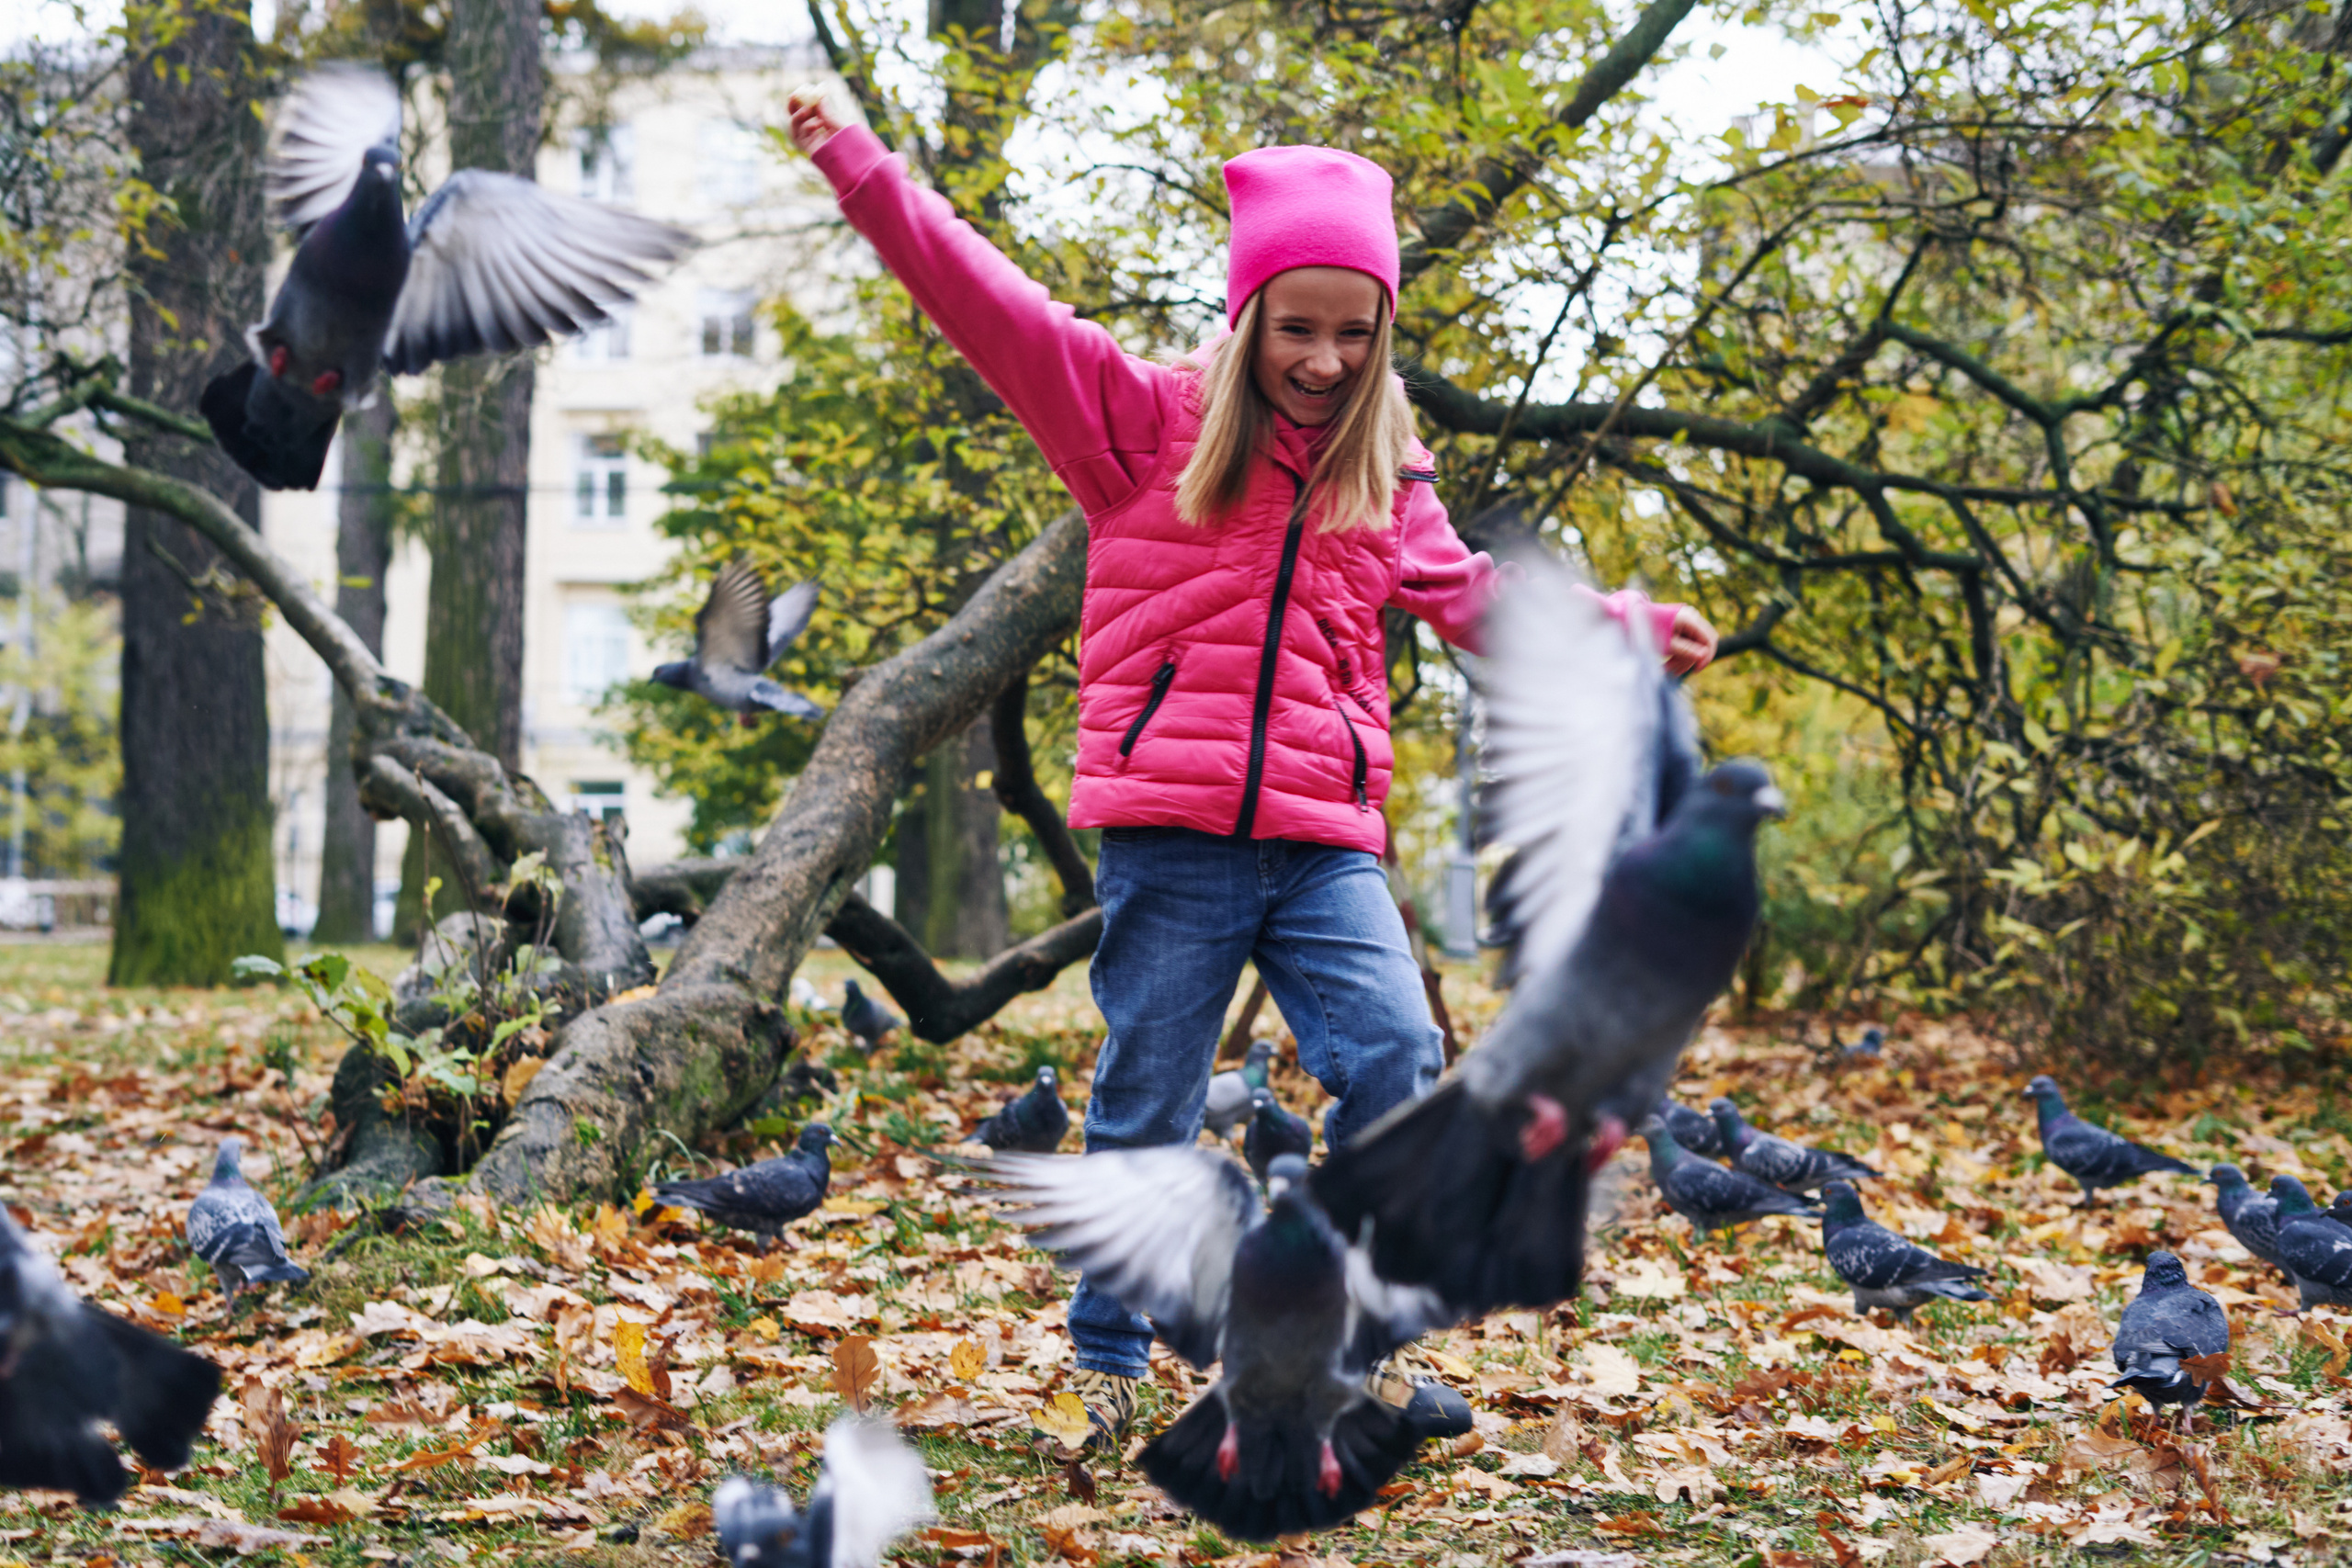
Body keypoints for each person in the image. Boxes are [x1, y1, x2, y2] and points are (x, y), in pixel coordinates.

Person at [786, 89, 1716, 1455]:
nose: (1328, 361)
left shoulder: (1386, 474)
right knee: (1150, 1104)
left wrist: (1623, 633)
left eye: (1356, 333)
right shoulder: (1137, 426)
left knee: (1397, 1057)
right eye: (1299, 328)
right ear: (1246, 321)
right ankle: (1106, 1360)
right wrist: (860, 169)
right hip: (1173, 838)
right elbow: (985, 302)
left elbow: (1470, 598)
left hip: (1326, 839)